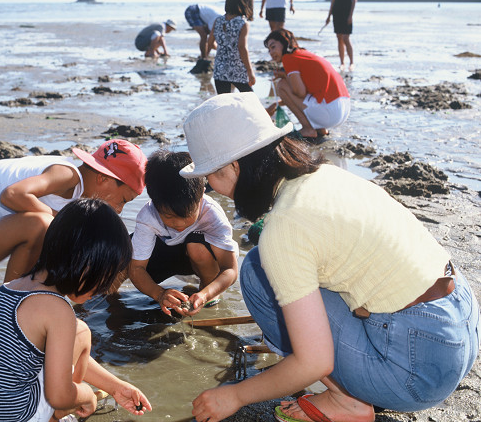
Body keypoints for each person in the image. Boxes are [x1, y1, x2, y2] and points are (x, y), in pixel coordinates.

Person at [180, 92, 480, 422]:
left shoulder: (285, 226)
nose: (209, 185)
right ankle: (355, 383)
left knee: (255, 274)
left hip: (417, 372)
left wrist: (234, 395)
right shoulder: (326, 175)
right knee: (276, 269)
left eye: (209, 175)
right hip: (462, 324)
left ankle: (346, 401)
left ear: (232, 167)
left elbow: (314, 363)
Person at [0, 198, 153, 422]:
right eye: (104, 277)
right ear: (84, 263)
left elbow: (59, 353)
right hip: (9, 418)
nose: (104, 289)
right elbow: (60, 395)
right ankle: (56, 417)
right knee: (81, 333)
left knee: (72, 337)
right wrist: (87, 396)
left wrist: (116, 387)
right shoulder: (57, 311)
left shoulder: (12, 287)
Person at [0, 139, 147, 282]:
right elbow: (12, 195)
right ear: (103, 178)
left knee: (57, 231)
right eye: (124, 200)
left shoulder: (75, 185)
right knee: (44, 225)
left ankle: (28, 292)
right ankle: (11, 305)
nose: (119, 210)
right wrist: (63, 222)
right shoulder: (67, 175)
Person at [127, 149, 238, 316]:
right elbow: (136, 269)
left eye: (187, 216)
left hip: (202, 258)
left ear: (201, 194)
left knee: (196, 246)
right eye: (169, 216)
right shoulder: (147, 216)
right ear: (154, 201)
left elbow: (230, 269)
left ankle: (207, 299)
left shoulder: (212, 214)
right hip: (167, 255)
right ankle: (111, 304)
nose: (179, 224)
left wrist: (205, 294)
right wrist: (159, 294)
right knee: (122, 254)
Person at [265, 28, 350, 139]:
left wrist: (285, 76)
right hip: (343, 108)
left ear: (284, 43)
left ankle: (308, 128)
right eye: (269, 50)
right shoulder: (303, 54)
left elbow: (299, 92)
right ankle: (320, 129)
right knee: (297, 89)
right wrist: (277, 105)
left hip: (331, 111)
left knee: (282, 85)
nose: (271, 53)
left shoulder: (289, 58)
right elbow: (305, 94)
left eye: (273, 47)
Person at [209, 0, 256, 95]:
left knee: (224, 103)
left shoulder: (218, 21)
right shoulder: (242, 23)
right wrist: (250, 72)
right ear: (247, 0)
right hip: (238, 71)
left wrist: (223, 50)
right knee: (250, 100)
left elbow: (210, 43)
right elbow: (242, 48)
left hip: (219, 70)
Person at [325, 0, 357, 70]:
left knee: (346, 38)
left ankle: (352, 62)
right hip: (337, 12)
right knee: (339, 38)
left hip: (347, 12)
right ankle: (342, 62)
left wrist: (351, 15)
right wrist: (329, 15)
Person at [184, 4, 222, 72]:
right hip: (193, 11)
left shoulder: (221, 19)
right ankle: (204, 57)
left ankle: (203, 56)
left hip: (201, 14)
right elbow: (210, 41)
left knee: (206, 35)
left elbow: (212, 42)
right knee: (204, 35)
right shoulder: (219, 20)